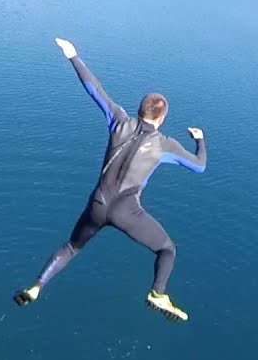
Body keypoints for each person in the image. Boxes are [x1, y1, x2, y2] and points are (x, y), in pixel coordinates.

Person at [13, 37, 207, 322]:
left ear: (140, 110)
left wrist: (73, 56)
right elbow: (200, 167)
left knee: (71, 246)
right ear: (162, 118)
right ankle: (158, 292)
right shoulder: (165, 145)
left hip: (97, 204)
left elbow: (94, 89)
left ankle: (38, 285)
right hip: (127, 211)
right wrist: (200, 141)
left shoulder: (119, 121)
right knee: (167, 249)